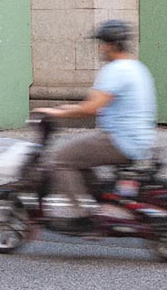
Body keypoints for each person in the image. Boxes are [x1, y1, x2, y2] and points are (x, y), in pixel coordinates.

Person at [37, 20, 156, 234]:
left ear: (113, 45)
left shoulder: (116, 70)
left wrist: (58, 114)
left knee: (61, 158)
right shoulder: (137, 67)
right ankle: (102, 204)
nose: (101, 48)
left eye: (103, 44)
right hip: (138, 140)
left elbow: (91, 108)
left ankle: (81, 216)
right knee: (79, 157)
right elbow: (91, 103)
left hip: (120, 141)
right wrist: (60, 108)